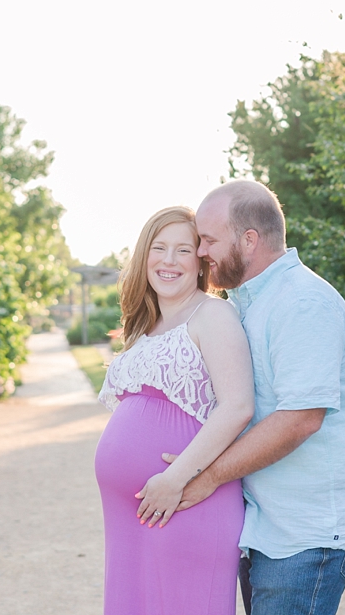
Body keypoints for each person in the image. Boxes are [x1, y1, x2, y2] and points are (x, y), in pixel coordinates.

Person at [166, 180, 345, 615]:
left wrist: (207, 476)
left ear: (249, 240)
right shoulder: (248, 303)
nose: (201, 252)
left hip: (306, 531)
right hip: (268, 523)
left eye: (208, 240)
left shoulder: (301, 302)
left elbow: (300, 419)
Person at [94, 206, 255, 615]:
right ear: (144, 255)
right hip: (131, 515)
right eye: (159, 247)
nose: (168, 260)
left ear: (200, 262)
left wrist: (173, 478)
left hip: (185, 502)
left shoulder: (213, 314)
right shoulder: (146, 326)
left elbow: (237, 406)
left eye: (182, 250)